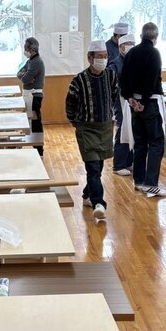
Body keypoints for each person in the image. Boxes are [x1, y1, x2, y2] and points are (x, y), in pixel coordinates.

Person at [66, 40, 119, 222]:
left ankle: (87, 194)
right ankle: (99, 204)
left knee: (99, 166)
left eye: (105, 56)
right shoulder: (79, 80)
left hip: (104, 127)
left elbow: (114, 97)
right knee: (93, 167)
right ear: (90, 58)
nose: (103, 60)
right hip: (86, 128)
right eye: (99, 57)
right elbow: (70, 103)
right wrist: (75, 121)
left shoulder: (111, 76)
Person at [121, 23, 166, 198]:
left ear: (141, 35)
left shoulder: (132, 52)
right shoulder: (154, 53)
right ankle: (150, 184)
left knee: (140, 143)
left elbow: (123, 78)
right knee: (156, 143)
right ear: (155, 37)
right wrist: (144, 100)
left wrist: (131, 99)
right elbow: (152, 79)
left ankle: (139, 181)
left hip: (134, 104)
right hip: (149, 103)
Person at [111, 33, 136, 176]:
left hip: (131, 100)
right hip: (120, 100)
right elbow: (113, 84)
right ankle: (118, 164)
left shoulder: (133, 61)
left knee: (131, 130)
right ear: (121, 47)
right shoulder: (115, 63)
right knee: (122, 129)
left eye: (133, 43)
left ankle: (128, 162)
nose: (131, 47)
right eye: (128, 44)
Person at [17, 36, 45, 155]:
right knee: (30, 121)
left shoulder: (37, 62)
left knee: (35, 121)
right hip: (29, 94)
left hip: (34, 95)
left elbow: (24, 78)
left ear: (33, 49)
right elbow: (19, 73)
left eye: (26, 48)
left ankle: (39, 150)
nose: (25, 51)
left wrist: (26, 75)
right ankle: (35, 147)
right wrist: (25, 75)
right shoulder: (30, 61)